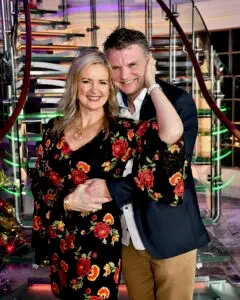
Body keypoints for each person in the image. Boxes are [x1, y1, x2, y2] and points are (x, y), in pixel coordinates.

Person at [31, 48, 185, 299]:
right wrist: (68, 200)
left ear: (111, 88)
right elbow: (38, 183)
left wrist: (152, 83)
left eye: (103, 82)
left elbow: (172, 131)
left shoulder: (122, 131)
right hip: (60, 240)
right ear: (74, 84)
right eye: (87, 81)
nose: (95, 90)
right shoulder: (53, 129)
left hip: (98, 246)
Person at [75, 28, 210, 300]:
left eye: (133, 64)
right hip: (127, 238)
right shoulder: (107, 105)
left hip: (171, 236)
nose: (124, 75)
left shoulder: (176, 102)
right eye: (115, 67)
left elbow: (167, 172)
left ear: (149, 61)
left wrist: (109, 189)